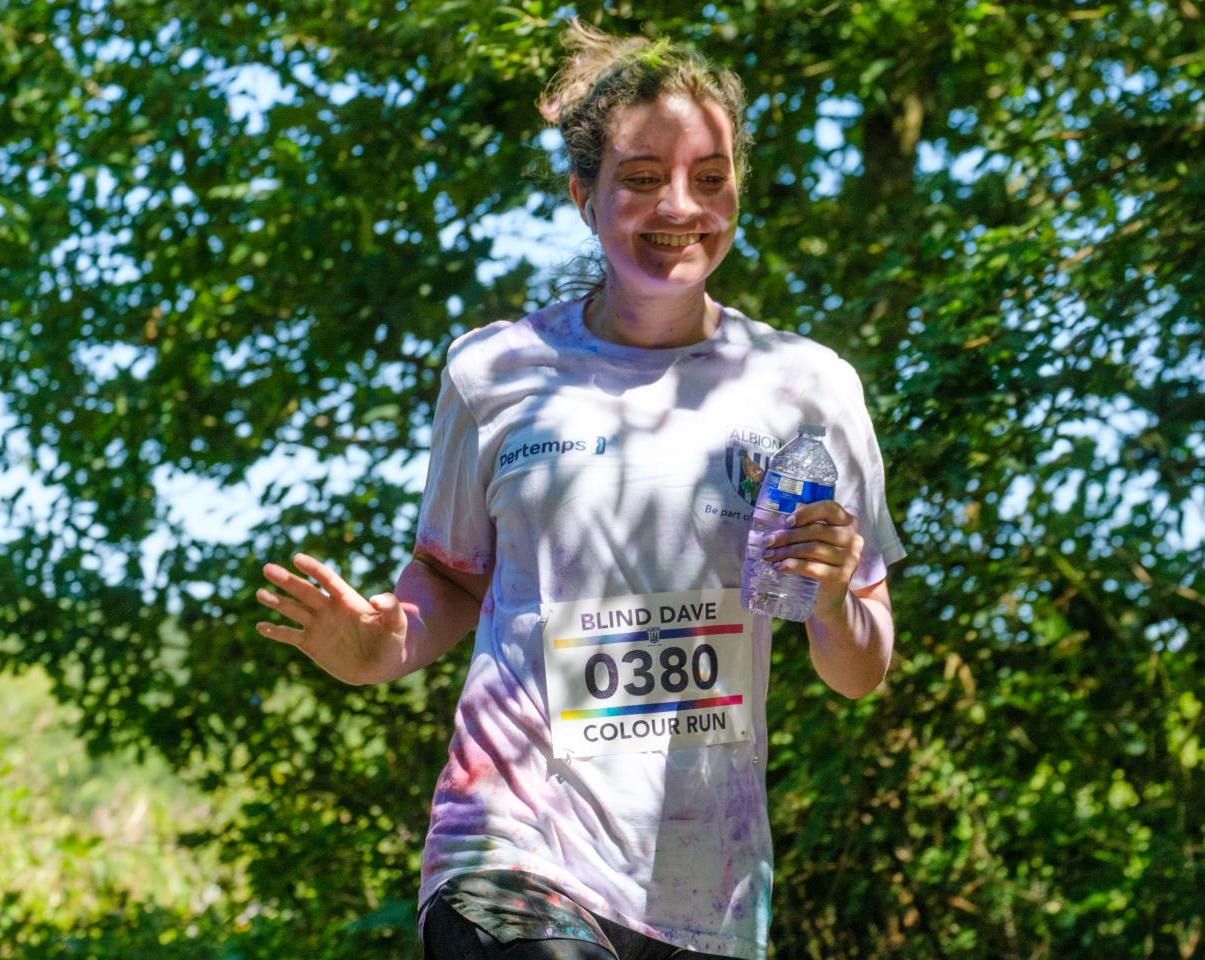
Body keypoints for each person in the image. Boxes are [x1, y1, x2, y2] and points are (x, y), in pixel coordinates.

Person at [255, 19, 904, 960]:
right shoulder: (496, 371)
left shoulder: (809, 388)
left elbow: (861, 669)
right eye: (641, 178)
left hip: (703, 891)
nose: (678, 206)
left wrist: (836, 596)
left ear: (738, 192)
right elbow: (451, 579)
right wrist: (377, 646)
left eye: (709, 178)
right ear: (583, 195)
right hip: (510, 845)